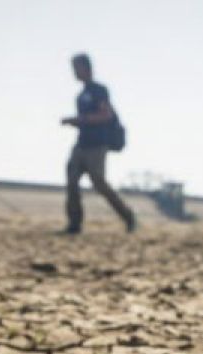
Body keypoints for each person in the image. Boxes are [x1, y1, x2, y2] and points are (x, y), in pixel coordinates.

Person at [60, 53, 136, 234]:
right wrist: (76, 122)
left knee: (99, 184)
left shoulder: (98, 90)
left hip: (96, 146)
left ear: (86, 68)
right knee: (71, 181)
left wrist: (80, 119)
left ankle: (128, 216)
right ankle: (74, 224)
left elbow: (106, 115)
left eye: (76, 68)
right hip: (81, 144)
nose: (74, 72)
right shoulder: (80, 95)